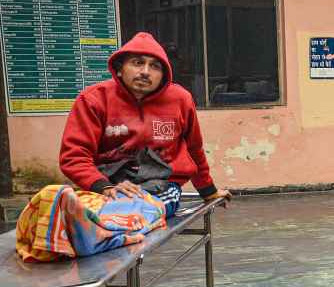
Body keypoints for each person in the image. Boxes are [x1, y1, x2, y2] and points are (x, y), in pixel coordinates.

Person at [60, 32, 231, 215]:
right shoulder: (93, 99)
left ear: (164, 75)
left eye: (155, 66)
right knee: (59, 208)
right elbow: (74, 157)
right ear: (120, 68)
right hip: (106, 183)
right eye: (137, 63)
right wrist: (105, 187)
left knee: (134, 213)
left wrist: (208, 191)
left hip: (162, 186)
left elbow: (194, 150)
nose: (145, 72)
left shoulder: (180, 99)